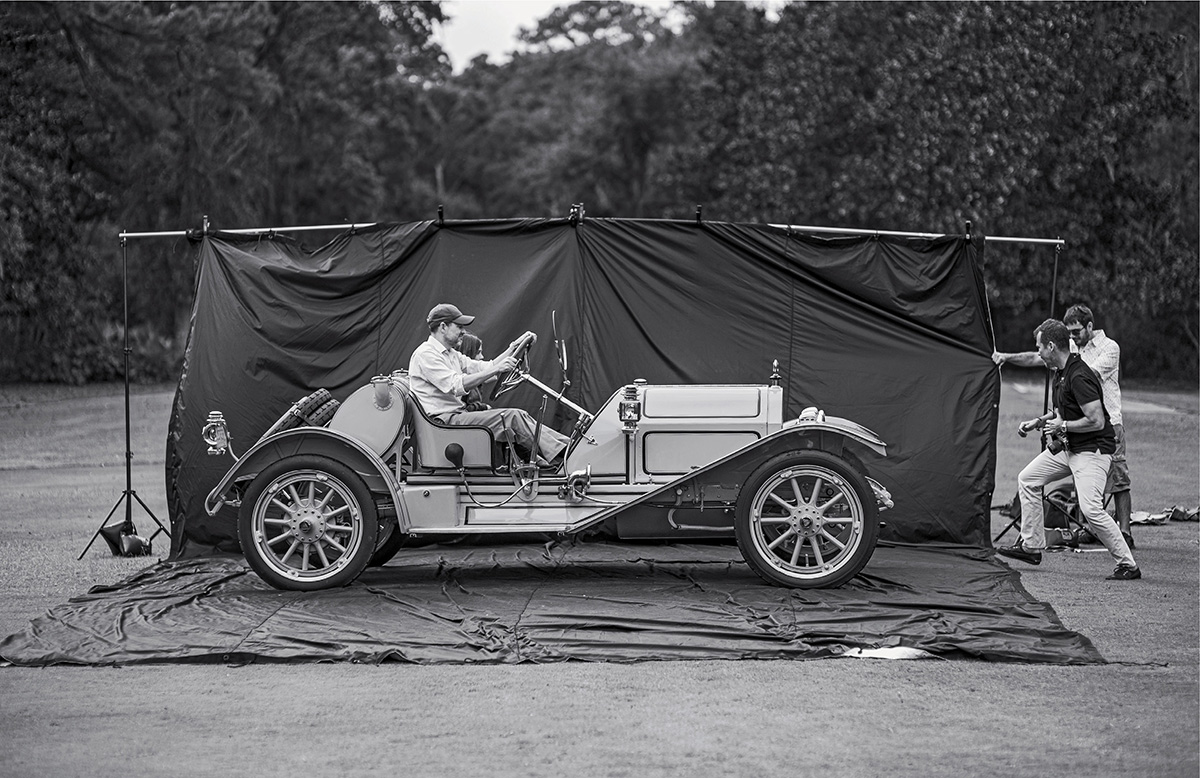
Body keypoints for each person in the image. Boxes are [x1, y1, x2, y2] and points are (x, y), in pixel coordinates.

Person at [995, 319, 1140, 580]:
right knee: (1028, 479)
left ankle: (1128, 564)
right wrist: (1038, 422)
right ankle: (1031, 546)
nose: (1037, 352)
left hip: (1093, 451)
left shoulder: (1079, 375)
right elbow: (1063, 411)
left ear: (1051, 346)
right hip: (1070, 448)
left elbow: (1095, 420)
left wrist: (1062, 427)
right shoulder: (1059, 373)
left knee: (1091, 510)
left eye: (1039, 347)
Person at [409, 303, 570, 466]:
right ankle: (566, 454)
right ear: (443, 327)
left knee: (519, 416)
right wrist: (497, 369)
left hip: (455, 417)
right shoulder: (426, 354)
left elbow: (484, 367)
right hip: (443, 423)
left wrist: (514, 346)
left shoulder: (450, 353)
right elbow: (456, 385)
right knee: (512, 417)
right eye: (459, 326)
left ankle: (569, 447)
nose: (463, 332)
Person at [453, 331, 492, 412]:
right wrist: (485, 407)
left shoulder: (475, 382)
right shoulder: (462, 381)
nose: (482, 357)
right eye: (478, 353)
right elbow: (466, 408)